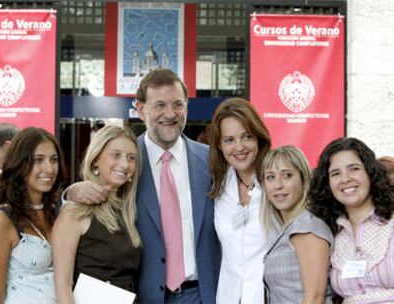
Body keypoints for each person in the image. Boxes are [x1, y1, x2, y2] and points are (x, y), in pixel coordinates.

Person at [65, 68, 221, 303]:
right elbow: (90, 204)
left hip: (201, 294)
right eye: (159, 105)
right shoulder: (125, 160)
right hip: (143, 296)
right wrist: (71, 193)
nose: (170, 114)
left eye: (178, 104)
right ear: (140, 109)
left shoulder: (211, 161)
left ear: (187, 107)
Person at [53, 125, 142, 303]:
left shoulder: (128, 211)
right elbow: (63, 285)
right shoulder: (75, 212)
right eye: (115, 155)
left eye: (131, 158)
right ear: (95, 160)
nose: (124, 164)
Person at [0, 127, 66, 304]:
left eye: (54, 159)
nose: (49, 168)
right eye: (38, 160)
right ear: (20, 163)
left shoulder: (56, 213)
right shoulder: (1, 221)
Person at [309, 137, 394, 303]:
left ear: (370, 172)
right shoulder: (330, 231)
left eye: (354, 169)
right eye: (335, 173)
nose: (345, 179)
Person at [208, 98, 271, 304]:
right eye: (229, 140)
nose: (239, 147)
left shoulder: (276, 185)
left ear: (258, 138)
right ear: (219, 144)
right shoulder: (217, 187)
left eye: (246, 137)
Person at [261, 146, 334, 304]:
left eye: (287, 175)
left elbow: (314, 298)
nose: (278, 185)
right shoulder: (291, 225)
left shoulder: (307, 227)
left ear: (303, 180)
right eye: (270, 177)